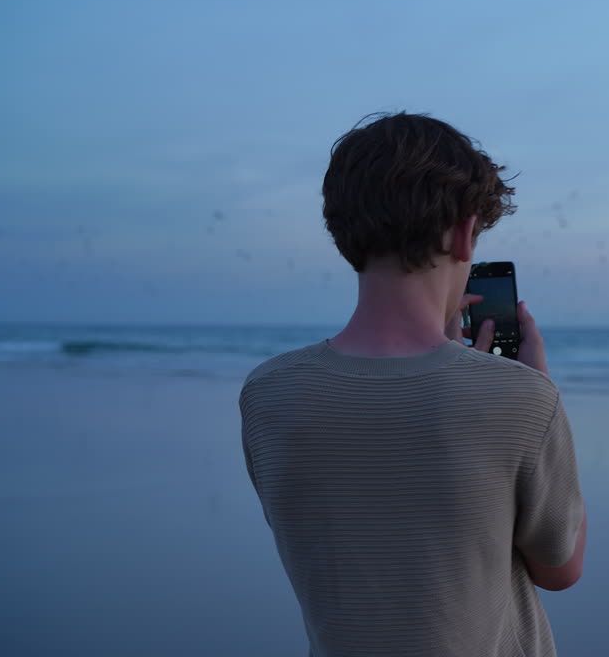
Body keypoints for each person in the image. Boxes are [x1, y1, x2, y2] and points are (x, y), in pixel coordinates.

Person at [239, 112, 587, 656]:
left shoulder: (267, 393)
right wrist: (530, 385)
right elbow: (559, 568)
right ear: (466, 231)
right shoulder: (522, 399)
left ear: (342, 232)